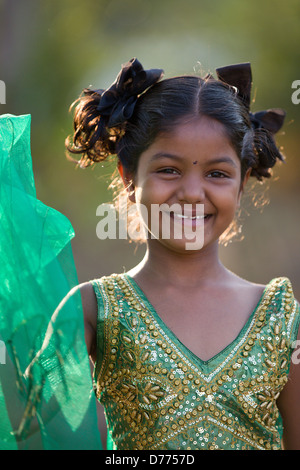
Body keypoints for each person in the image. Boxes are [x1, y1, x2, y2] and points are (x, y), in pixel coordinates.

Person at [66, 58, 300, 450]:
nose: (192, 193)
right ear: (128, 178)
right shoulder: (94, 309)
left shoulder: (281, 317)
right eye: (169, 170)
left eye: (216, 174)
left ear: (241, 184)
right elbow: (40, 426)